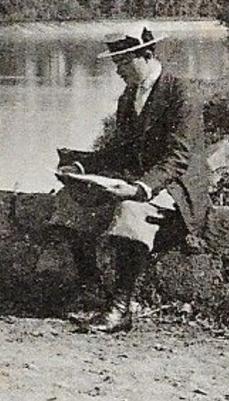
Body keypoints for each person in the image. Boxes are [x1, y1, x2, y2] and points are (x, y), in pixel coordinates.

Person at [49, 26, 208, 333]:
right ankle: (94, 289)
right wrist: (81, 167)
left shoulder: (181, 93)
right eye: (116, 64)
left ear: (145, 55)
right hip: (137, 181)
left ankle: (121, 308)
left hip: (177, 188)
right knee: (69, 203)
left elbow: (179, 157)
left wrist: (140, 188)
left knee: (130, 211)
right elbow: (118, 151)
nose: (118, 71)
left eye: (123, 63)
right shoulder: (129, 96)